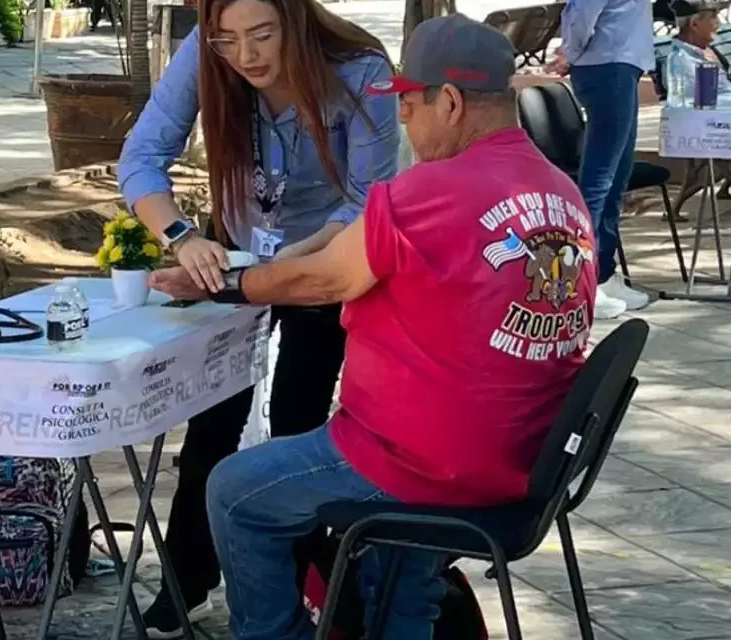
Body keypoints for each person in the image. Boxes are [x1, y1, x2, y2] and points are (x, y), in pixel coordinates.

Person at [150, 15, 597, 638]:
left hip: (425, 461)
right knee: (394, 565)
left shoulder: (434, 190)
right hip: (521, 458)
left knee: (233, 491)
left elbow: (324, 280)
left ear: (449, 101)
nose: (404, 122)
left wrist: (231, 283)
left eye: (409, 105)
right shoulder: (562, 192)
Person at [115, 0, 399, 635]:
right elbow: (138, 159)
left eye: (262, 34)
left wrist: (283, 272)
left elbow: (368, 202)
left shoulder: (362, 69)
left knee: (298, 428)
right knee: (211, 424)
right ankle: (187, 576)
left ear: (295, 21)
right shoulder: (206, 53)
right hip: (237, 252)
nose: (246, 56)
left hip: (325, 260)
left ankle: (297, 587)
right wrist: (185, 238)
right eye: (227, 40)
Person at [548, 0, 654, 319]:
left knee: (618, 177)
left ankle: (604, 273)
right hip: (607, 66)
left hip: (625, 65)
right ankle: (581, 282)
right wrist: (573, 53)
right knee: (599, 179)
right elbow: (581, 16)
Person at [660, 0, 731, 97]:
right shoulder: (680, 59)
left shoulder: (707, 50)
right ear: (694, 23)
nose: (719, 22)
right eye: (713, 16)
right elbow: (695, 100)